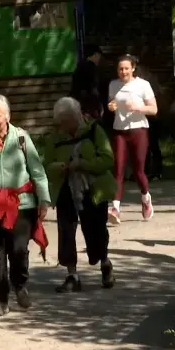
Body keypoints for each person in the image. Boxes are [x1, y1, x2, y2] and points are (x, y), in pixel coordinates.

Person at [0, 95, 50, 316]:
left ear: (7, 116)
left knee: (18, 249)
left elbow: (37, 171)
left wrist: (43, 200)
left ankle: (20, 285)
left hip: (22, 204)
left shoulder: (22, 139)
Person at [41, 97, 116, 292]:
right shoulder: (55, 137)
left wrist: (83, 164)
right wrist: (59, 167)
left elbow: (108, 160)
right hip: (66, 188)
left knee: (96, 229)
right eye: (61, 123)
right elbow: (46, 165)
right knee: (66, 231)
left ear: (76, 116)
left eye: (66, 122)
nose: (63, 127)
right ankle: (72, 275)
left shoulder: (93, 130)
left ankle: (104, 263)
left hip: (93, 189)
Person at [106, 54, 158, 224]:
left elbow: (154, 109)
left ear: (133, 68)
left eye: (126, 68)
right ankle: (115, 208)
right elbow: (112, 103)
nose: (123, 72)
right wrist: (111, 106)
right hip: (119, 130)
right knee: (118, 169)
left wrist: (138, 107)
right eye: (120, 69)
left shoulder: (143, 85)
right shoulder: (113, 85)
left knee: (138, 170)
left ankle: (145, 198)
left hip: (139, 130)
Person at [70, 44, 104, 118]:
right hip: (89, 106)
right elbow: (94, 88)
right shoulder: (92, 68)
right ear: (95, 55)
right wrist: (99, 105)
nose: (99, 59)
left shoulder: (79, 66)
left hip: (78, 103)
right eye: (99, 56)